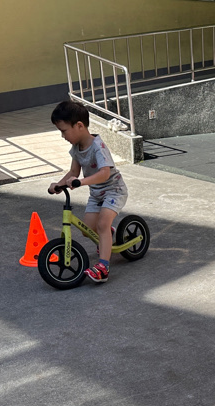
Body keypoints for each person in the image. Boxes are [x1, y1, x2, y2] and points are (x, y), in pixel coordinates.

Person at [47, 101, 129, 283]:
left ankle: (103, 268)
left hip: (113, 191)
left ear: (79, 126)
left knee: (102, 225)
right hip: (97, 194)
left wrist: (81, 182)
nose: (63, 136)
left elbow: (105, 173)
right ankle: (108, 234)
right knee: (87, 230)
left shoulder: (98, 147)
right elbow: (73, 172)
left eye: (64, 131)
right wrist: (59, 185)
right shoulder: (77, 148)